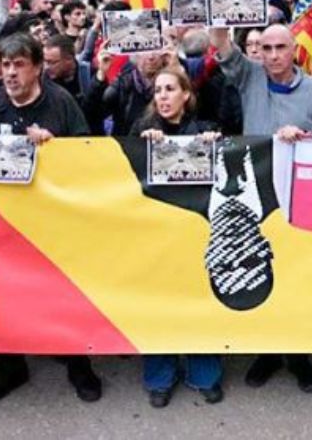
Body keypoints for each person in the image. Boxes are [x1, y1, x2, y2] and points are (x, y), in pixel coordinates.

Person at [0, 34, 101, 408]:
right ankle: (10, 365)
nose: (10, 72)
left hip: (54, 222)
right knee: (4, 295)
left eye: (19, 64)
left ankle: (77, 362)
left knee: (62, 294)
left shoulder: (61, 103)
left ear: (37, 68)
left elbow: (86, 153)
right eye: (5, 65)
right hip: (4, 222)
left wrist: (56, 148)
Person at [209, 23, 312, 393]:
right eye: (267, 48)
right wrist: (222, 11)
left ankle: (299, 357)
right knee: (265, 273)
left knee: (296, 275)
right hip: (258, 195)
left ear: (295, 49)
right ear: (258, 52)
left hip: (299, 194)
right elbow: (221, 43)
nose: (274, 54)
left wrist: (305, 137)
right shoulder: (249, 76)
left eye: (281, 47)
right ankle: (266, 353)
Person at [129, 68, 225, 408]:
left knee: (198, 302)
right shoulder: (140, 131)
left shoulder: (205, 130)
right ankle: (160, 376)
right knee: (157, 305)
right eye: (158, 90)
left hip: (196, 232)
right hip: (155, 233)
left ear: (186, 94)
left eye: (170, 89)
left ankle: (204, 374)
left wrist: (218, 145)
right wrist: (140, 148)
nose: (163, 96)